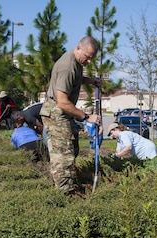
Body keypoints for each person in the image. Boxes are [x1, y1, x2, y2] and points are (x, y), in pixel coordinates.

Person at [39, 36, 101, 196]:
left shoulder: (76, 62)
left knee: (72, 149)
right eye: (87, 57)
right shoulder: (68, 66)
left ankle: (71, 184)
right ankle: (64, 195)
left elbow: (75, 79)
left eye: (91, 59)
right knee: (63, 155)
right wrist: (87, 117)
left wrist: (91, 81)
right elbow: (62, 102)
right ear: (78, 48)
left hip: (63, 114)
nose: (88, 62)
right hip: (56, 113)